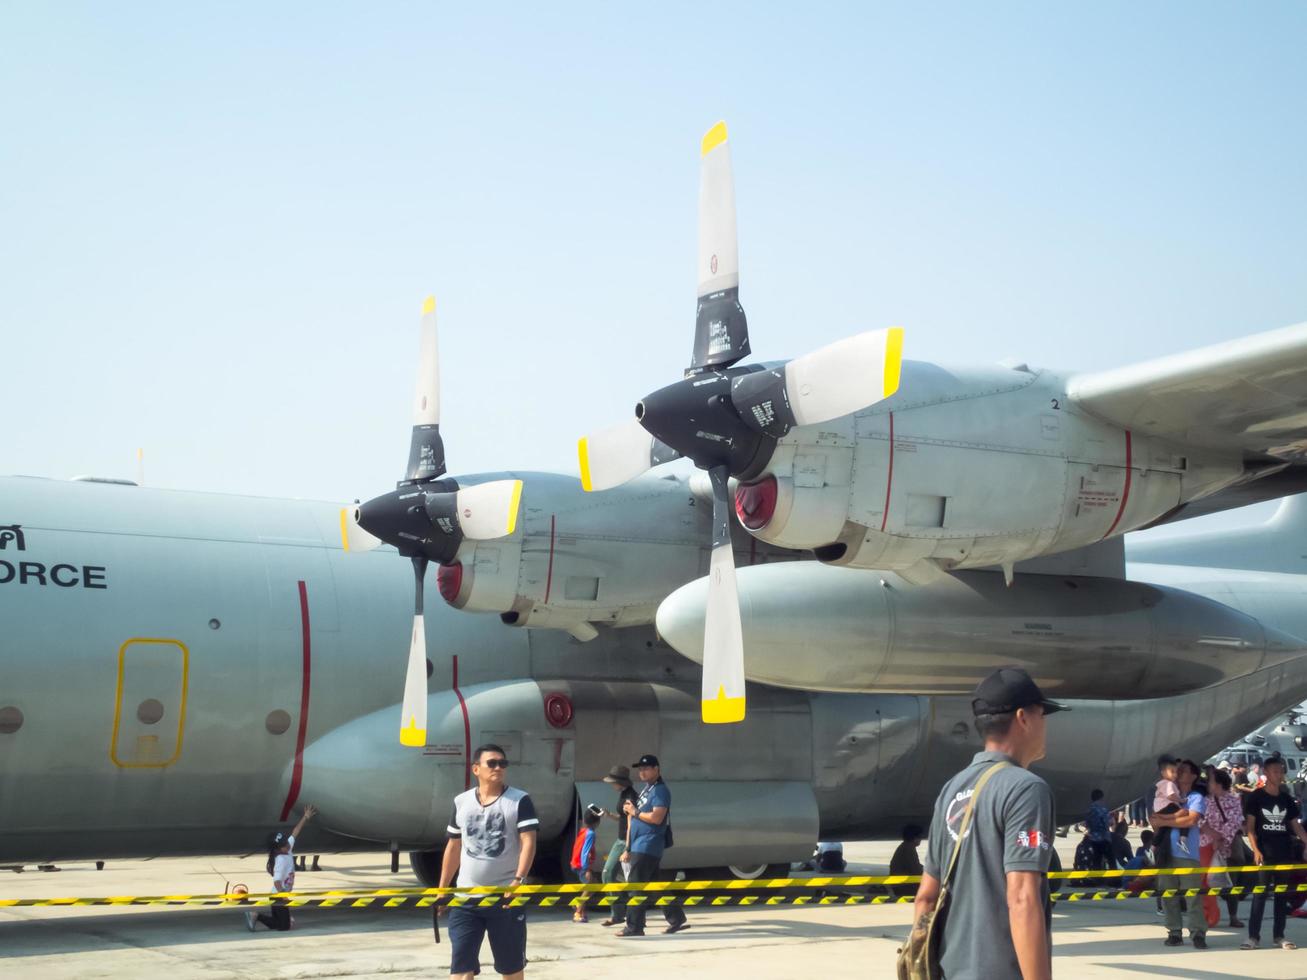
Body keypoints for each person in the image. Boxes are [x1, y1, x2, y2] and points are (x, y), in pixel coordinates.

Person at [912, 667, 1064, 980]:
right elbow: (1022, 896)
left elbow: (926, 896)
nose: (1045, 724)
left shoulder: (952, 789)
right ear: (1023, 718)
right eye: (1042, 714)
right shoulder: (1026, 789)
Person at [438, 744, 539, 980]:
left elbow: (529, 842)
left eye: (502, 763)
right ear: (476, 769)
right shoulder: (461, 802)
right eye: (491, 763)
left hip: (505, 899)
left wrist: (518, 880)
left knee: (511, 969)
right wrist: (442, 888)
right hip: (465, 900)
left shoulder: (519, 800)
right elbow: (453, 846)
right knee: (461, 971)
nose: (498, 768)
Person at [617, 754, 688, 937]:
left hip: (648, 844)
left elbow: (657, 817)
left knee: (635, 885)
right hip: (641, 844)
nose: (642, 772)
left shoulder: (660, 791)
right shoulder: (648, 789)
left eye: (646, 768)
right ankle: (676, 918)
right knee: (656, 885)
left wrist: (635, 811)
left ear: (657, 769)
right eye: (640, 769)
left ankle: (634, 926)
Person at [1241, 754, 1307, 950]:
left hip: (1283, 852)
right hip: (1264, 852)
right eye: (1276, 771)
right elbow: (1250, 828)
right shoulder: (1256, 797)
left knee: (1281, 895)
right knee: (1260, 895)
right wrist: (1255, 850)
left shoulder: (1287, 798)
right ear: (1266, 773)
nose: (1280, 775)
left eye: (1281, 771)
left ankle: (1279, 936)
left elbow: (1297, 827)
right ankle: (1253, 937)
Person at [1150, 758, 1208, 949]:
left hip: (1187, 853)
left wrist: (1164, 821)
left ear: (1193, 776)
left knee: (1192, 896)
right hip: (1166, 852)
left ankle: (1197, 932)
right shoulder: (1165, 794)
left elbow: (1191, 821)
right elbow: (1153, 820)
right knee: (1168, 895)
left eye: (1183, 771)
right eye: (1177, 770)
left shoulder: (1195, 797)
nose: (1178, 773)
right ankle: (1174, 931)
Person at [246, 804, 317, 932]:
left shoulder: (287, 850)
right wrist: (283, 895)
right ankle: (256, 915)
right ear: (278, 849)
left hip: (278, 895)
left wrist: (305, 817)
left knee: (279, 924)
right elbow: (277, 881)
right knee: (284, 927)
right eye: (284, 845)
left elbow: (295, 832)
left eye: (286, 842)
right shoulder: (280, 861)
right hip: (278, 896)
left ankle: (260, 916)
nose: (287, 845)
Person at [594, 764, 639, 928]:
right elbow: (623, 818)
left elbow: (631, 824)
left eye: (613, 782)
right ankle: (619, 912)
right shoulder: (624, 794)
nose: (611, 785)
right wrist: (609, 815)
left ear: (620, 782)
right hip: (621, 839)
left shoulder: (630, 798)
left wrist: (628, 848)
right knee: (610, 874)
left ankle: (619, 913)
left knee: (608, 874)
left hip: (625, 841)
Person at [1201, 768, 1246, 928]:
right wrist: (1214, 837)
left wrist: (1221, 839)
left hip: (1227, 847)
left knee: (1229, 883)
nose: (1208, 784)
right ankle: (1209, 916)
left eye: (1211, 781)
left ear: (1219, 784)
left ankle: (1233, 916)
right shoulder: (1206, 800)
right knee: (1206, 882)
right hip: (1206, 845)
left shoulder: (1234, 800)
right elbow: (1200, 821)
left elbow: (1235, 821)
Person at [569, 810, 601, 923]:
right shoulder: (590, 833)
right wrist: (586, 868)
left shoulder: (583, 831)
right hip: (581, 865)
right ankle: (578, 910)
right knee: (589, 887)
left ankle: (582, 912)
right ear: (597, 822)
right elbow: (585, 852)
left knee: (592, 885)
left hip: (576, 863)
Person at [1085, 789, 1113, 870]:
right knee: (1111, 860)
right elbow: (1108, 822)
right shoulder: (1102, 809)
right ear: (1101, 798)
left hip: (1093, 838)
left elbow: (1087, 823)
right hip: (1104, 837)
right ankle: (1115, 878)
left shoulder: (1089, 809)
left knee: (1096, 860)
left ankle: (1097, 878)